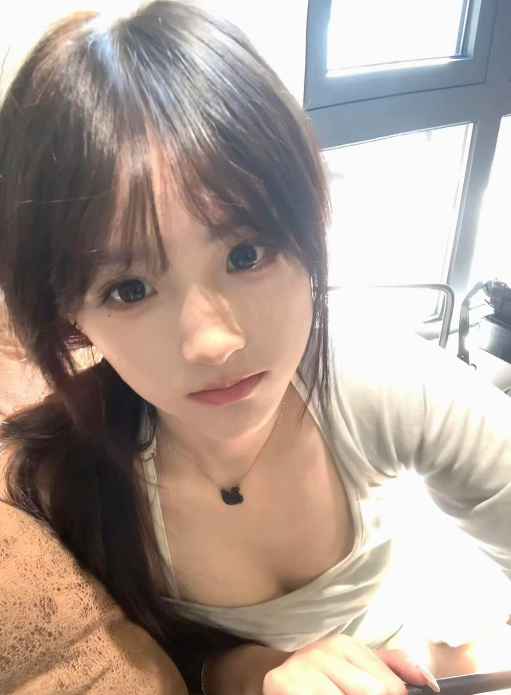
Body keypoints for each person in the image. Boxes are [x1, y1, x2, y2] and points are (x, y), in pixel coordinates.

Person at [1, 2, 510, 694]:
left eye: (246, 252)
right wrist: (257, 671)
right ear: (71, 316)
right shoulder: (70, 481)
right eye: (129, 288)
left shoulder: (373, 379)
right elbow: (171, 657)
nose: (213, 341)